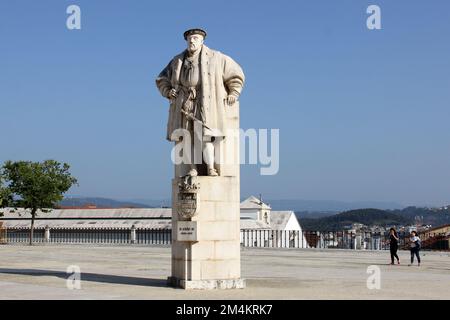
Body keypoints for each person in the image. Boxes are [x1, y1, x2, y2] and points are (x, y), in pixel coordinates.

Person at [156, 28, 245, 177]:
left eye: (195, 38)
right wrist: (167, 91)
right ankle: (192, 168)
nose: (192, 41)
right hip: (184, 103)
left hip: (207, 103)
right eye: (189, 39)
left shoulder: (216, 57)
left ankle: (210, 167)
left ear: (202, 40)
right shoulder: (177, 60)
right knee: (186, 137)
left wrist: (233, 92)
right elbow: (161, 79)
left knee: (206, 136)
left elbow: (236, 74)